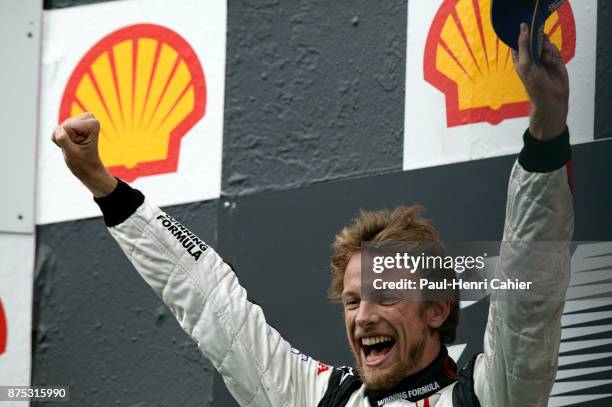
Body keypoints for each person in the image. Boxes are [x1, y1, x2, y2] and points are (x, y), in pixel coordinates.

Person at [52, 24, 573, 406]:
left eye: (385, 295)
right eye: (352, 300)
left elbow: (529, 294)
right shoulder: (318, 398)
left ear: (437, 309)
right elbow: (209, 299)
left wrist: (547, 128)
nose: (363, 316)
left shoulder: (490, 393)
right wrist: (104, 184)